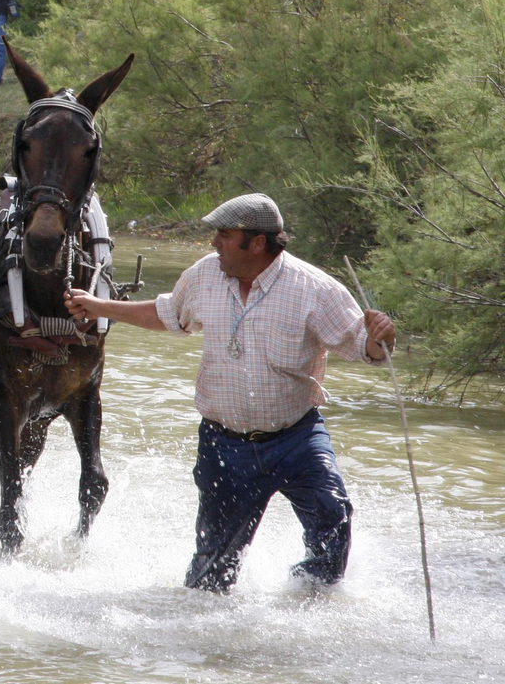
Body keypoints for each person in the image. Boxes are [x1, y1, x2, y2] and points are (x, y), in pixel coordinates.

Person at [63, 193, 397, 593]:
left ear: (256, 243)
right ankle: (207, 639)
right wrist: (98, 306)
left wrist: (383, 338)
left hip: (297, 439)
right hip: (224, 446)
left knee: (333, 516)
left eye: (224, 234)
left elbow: (363, 345)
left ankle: (306, 605)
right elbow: (169, 314)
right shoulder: (205, 276)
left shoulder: (314, 289)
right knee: (211, 578)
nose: (214, 243)